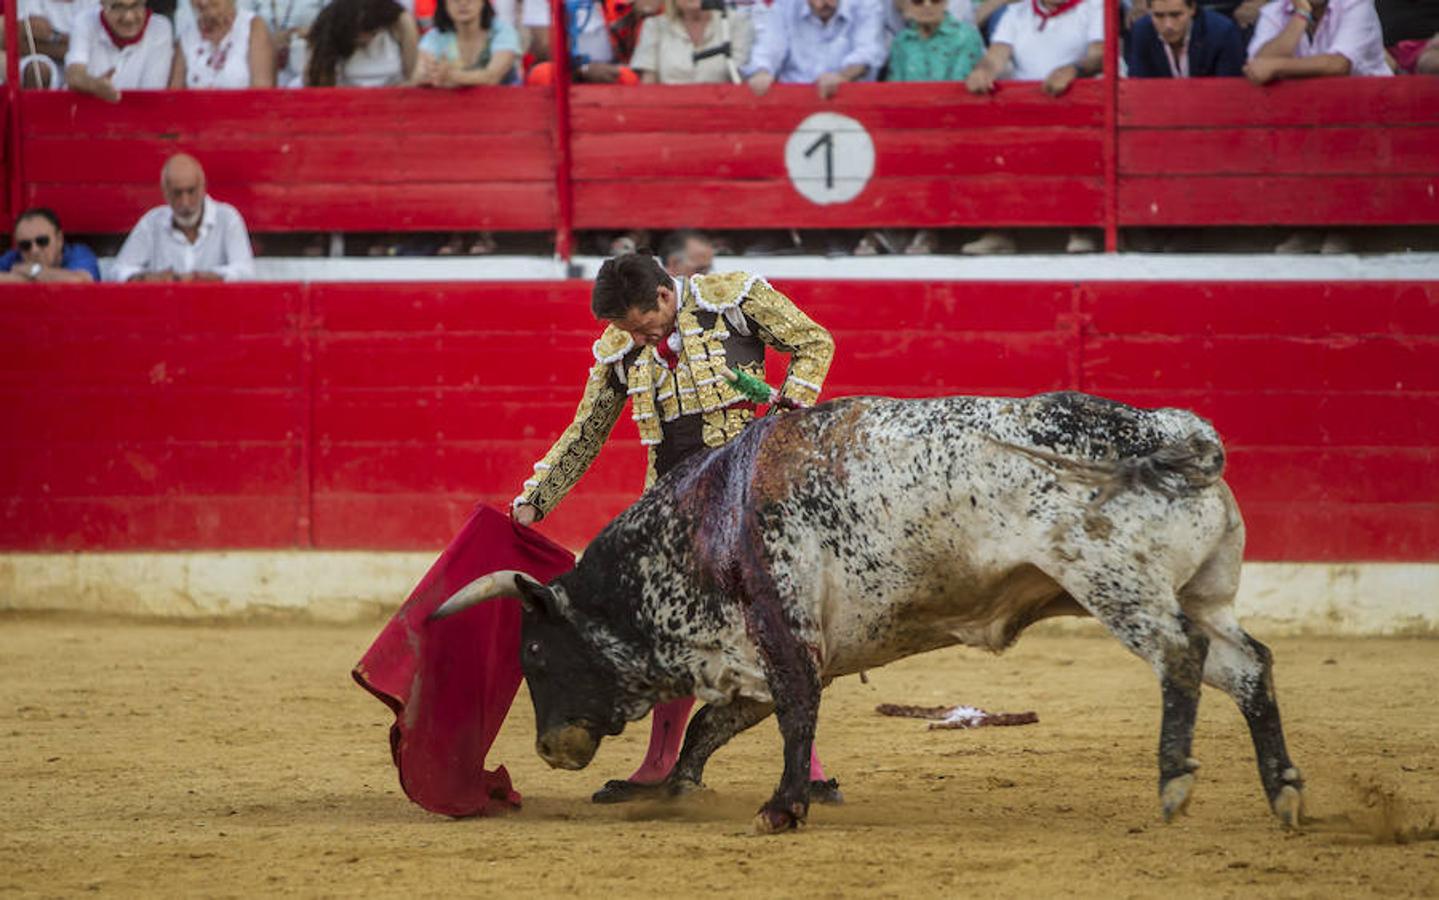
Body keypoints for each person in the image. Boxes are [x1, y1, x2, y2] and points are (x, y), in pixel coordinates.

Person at [511, 253, 839, 805]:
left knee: (771, 625)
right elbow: (587, 431)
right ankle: (662, 763)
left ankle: (806, 766)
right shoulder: (621, 349)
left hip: (747, 489)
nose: (637, 340)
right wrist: (533, 502)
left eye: (641, 326)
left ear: (665, 296)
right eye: (626, 331)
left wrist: (791, 410)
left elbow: (814, 342)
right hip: (671, 506)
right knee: (667, 630)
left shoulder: (732, 301)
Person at [964, 0, 1104, 254]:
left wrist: (1074, 70)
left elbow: (1099, 54)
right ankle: (1000, 230)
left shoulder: (1094, 7)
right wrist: (983, 71)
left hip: (1075, 102)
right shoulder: (1017, 12)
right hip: (1025, 106)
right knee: (993, 134)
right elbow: (997, 55)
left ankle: (1082, 228)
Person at [112, 153, 256, 282]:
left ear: (203, 186)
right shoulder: (152, 222)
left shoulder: (227, 218)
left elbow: (246, 273)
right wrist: (147, 278)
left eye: (191, 191)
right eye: (177, 193)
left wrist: (207, 278)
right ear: (165, 192)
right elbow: (117, 272)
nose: (185, 202)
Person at [744, 0, 887, 99]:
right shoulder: (784, 5)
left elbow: (868, 52)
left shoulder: (866, 4)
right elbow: (769, 46)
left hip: (851, 101)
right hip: (793, 101)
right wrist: (762, 72)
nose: (820, 5)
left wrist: (843, 77)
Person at [1244, 0, 1391, 82]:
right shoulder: (1273, 11)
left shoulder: (1357, 4)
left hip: (1369, 105)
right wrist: (1301, 14)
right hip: (1302, 109)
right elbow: (1259, 65)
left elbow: (1339, 65)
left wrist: (1277, 66)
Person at [63, 0, 175, 102]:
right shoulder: (84, 21)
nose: (128, 17)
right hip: (88, 115)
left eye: (136, 5)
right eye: (117, 6)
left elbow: (151, 97)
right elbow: (74, 76)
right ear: (102, 3)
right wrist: (95, 86)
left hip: (138, 118)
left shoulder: (160, 29)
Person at [630, 0, 755, 83]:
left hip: (724, 112)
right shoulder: (654, 26)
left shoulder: (736, 23)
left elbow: (742, 77)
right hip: (669, 112)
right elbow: (648, 82)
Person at [303, 0, 419, 86]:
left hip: (393, 105)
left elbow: (412, 76)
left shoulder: (401, 23)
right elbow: (315, 86)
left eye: (373, 32)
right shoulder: (327, 28)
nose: (366, 38)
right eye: (359, 31)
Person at [173, 0, 278, 88]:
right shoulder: (187, 38)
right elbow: (172, 99)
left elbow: (262, 97)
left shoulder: (253, 28)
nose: (202, 2)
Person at [415, 0, 522, 86]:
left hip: (503, 103)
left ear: (483, 2)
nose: (463, 3)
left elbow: (492, 77)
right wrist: (429, 73)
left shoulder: (502, 31)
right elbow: (418, 76)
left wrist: (451, 76)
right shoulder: (435, 36)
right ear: (444, 4)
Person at [1127, 0, 1245, 76]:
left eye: (1176, 15)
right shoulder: (1141, 31)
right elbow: (1139, 84)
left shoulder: (1222, 32)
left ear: (1192, 9)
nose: (1168, 25)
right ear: (1149, 11)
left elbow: (1228, 91)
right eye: (1159, 16)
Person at [885, 0, 984, 81]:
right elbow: (895, 88)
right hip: (908, 104)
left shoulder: (966, 37)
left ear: (945, 3)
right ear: (910, 5)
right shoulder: (901, 41)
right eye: (918, 1)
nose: (927, 5)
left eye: (935, 0)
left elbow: (959, 86)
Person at [0, 208, 99, 284]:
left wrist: (32, 270)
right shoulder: (14, 256)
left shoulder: (78, 254)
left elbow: (80, 281)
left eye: (42, 241)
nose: (34, 250)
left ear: (59, 239)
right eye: (25, 245)